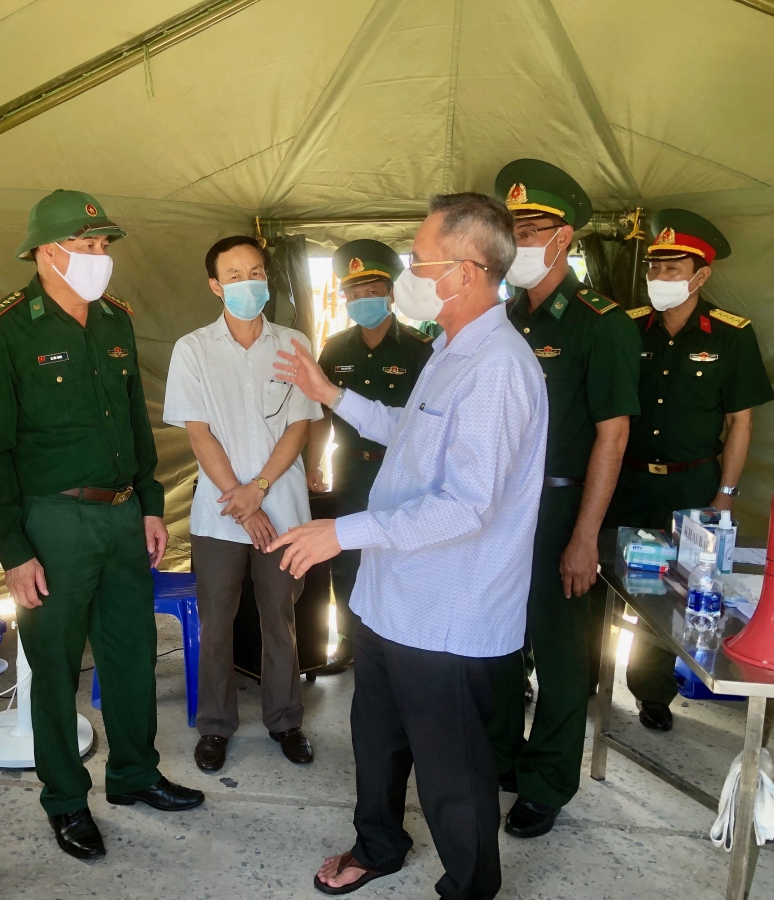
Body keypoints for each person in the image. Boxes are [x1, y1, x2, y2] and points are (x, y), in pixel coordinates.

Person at [271, 193, 547, 899]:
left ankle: (470, 887)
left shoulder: (499, 368)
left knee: (452, 772)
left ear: (465, 271)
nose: (411, 275)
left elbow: (467, 506)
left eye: (421, 259)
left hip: (449, 616)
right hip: (393, 601)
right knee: (377, 739)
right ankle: (379, 845)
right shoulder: (450, 347)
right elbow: (409, 430)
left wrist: (343, 531)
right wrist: (328, 391)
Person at [0, 189, 204, 861]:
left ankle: (134, 775)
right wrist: (15, 550)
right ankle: (66, 801)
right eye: (87, 246)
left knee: (131, 653)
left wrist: (152, 502)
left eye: (104, 246)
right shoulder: (5, 330)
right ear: (46, 252)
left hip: (122, 513)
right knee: (55, 665)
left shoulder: (114, 321)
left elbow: (136, 418)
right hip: (54, 521)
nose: (101, 258)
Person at [484, 159, 641, 840]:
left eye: (533, 226)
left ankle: (547, 781)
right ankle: (503, 757)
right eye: (511, 225)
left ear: (565, 237)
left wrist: (584, 536)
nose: (518, 237)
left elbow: (613, 434)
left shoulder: (597, 322)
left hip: (559, 510)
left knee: (559, 654)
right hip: (498, 513)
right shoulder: (502, 316)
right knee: (494, 641)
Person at [605, 209, 773, 731]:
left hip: (691, 484)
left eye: (672, 269)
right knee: (595, 581)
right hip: (624, 479)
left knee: (670, 596)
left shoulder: (729, 336)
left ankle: (652, 689)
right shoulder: (628, 328)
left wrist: (724, 497)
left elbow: (739, 423)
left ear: (701, 276)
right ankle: (584, 678)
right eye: (654, 268)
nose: (658, 279)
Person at [163, 235, 322, 773]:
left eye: (255, 272)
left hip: (283, 507)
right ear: (215, 286)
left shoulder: (294, 342)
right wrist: (245, 501)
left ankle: (285, 719)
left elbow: (300, 425)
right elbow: (199, 433)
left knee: (280, 618)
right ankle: (215, 725)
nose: (247, 283)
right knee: (217, 622)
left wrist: (261, 489)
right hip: (220, 512)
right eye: (234, 275)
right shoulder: (193, 349)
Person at [307, 240, 434, 674]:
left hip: (400, 472)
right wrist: (312, 463)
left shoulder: (421, 349)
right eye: (354, 294)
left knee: (400, 555)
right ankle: (347, 641)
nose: (363, 301)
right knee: (346, 558)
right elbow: (321, 415)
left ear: (392, 292)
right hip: (350, 468)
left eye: (372, 290)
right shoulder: (335, 349)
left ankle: (401, 642)